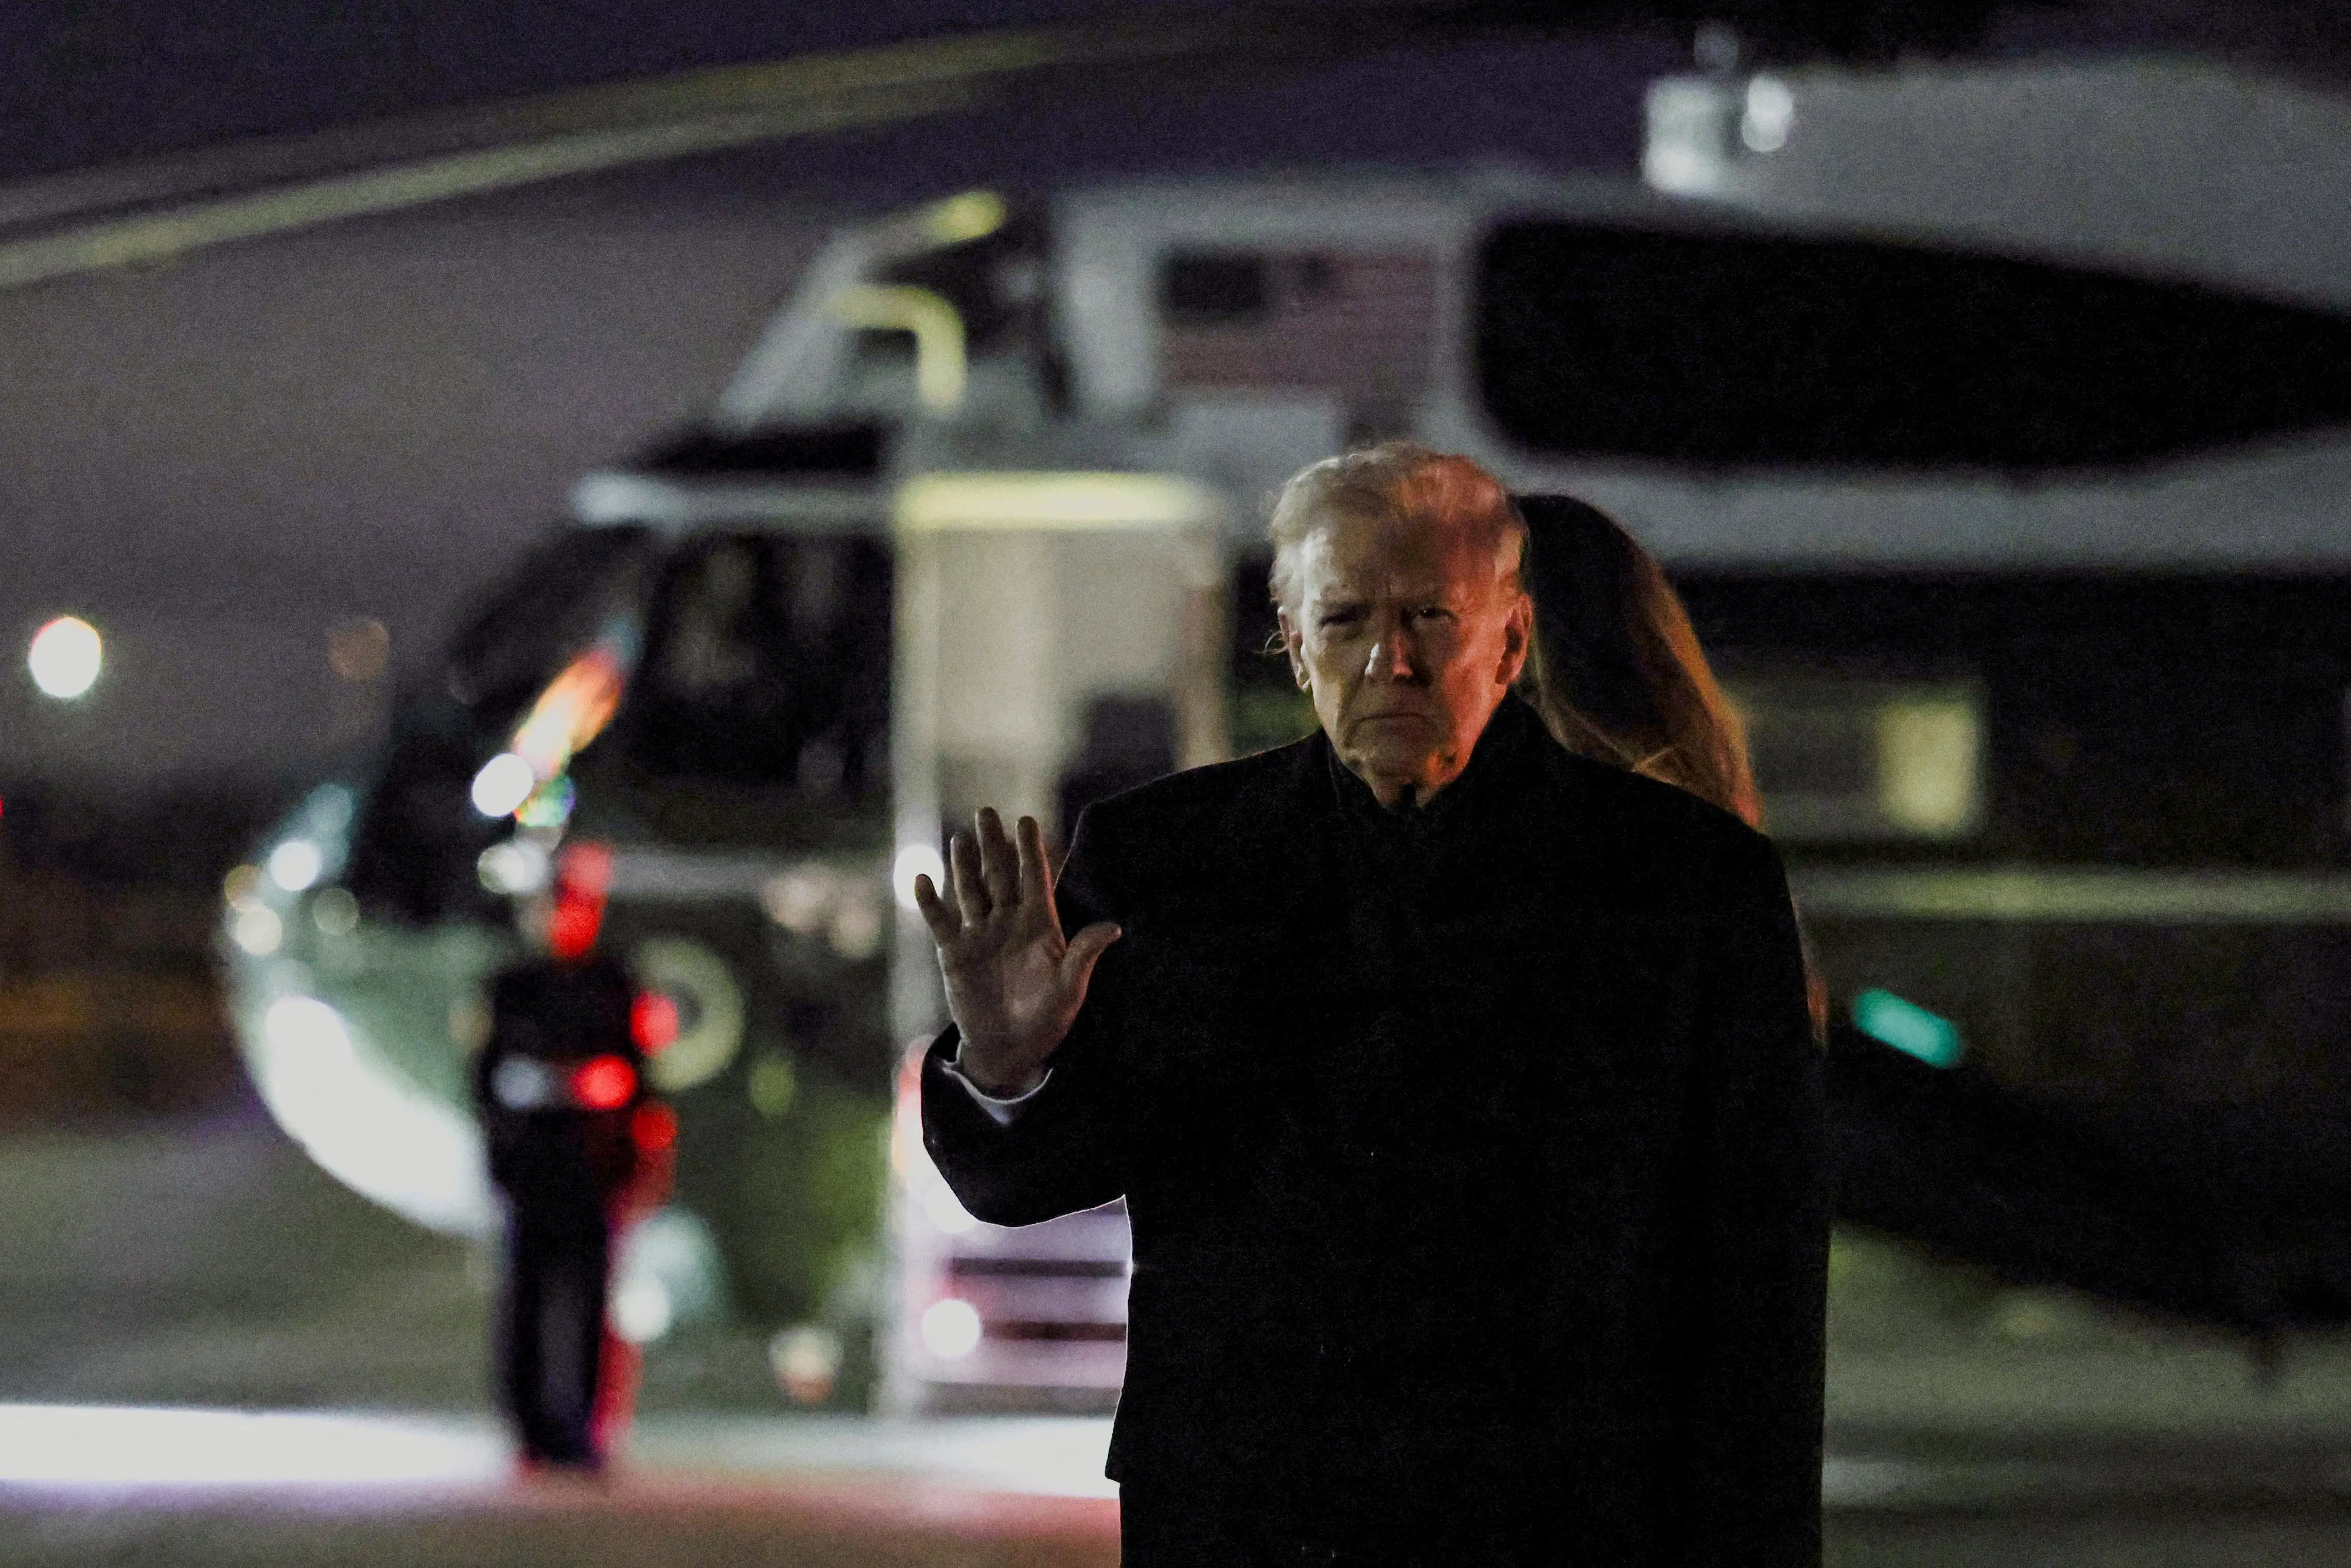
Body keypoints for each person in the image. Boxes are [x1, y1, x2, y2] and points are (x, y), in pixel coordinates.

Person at [916, 443, 1828, 1565]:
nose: (1390, 661)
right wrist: (1011, 1063)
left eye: (1431, 619)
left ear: (1509, 638)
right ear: (1296, 646)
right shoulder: (1171, 859)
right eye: (1345, 620)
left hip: (1561, 1509)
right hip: (1249, 1503)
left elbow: (1758, 1275)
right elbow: (1027, 1175)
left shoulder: (1686, 882)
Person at [473, 844, 670, 1472]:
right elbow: (487, 1078)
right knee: (528, 1300)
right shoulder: (513, 988)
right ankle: (531, 1429)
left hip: (595, 1165)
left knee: (589, 1304)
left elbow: (639, 1078)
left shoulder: (613, 984)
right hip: (533, 1165)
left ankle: (583, 1430)